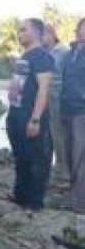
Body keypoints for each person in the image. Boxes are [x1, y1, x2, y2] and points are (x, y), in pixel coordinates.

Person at [2, 18, 53, 211]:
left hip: (30, 115)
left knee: (36, 159)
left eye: (23, 30)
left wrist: (35, 119)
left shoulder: (41, 56)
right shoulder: (26, 55)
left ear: (37, 33)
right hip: (16, 112)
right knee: (21, 156)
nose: (19, 33)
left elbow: (44, 89)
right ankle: (20, 195)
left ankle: (34, 202)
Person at [61, 18, 85, 213]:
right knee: (69, 151)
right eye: (81, 28)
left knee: (80, 153)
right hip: (66, 107)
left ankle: (79, 202)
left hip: (82, 111)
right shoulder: (69, 54)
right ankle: (73, 192)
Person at [42, 24, 69, 185]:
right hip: (43, 100)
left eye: (43, 34)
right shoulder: (43, 52)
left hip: (58, 100)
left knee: (59, 137)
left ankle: (63, 173)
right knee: (46, 137)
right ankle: (50, 171)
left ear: (52, 34)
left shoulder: (63, 53)